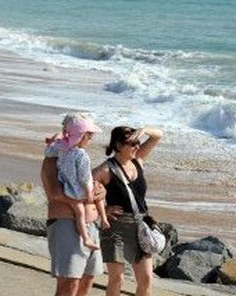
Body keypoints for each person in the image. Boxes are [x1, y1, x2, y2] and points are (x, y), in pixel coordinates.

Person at [92, 126, 163, 296]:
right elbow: (81, 192)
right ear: (118, 145)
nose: (137, 146)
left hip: (141, 226)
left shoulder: (138, 160)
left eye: (138, 143)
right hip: (117, 227)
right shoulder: (105, 169)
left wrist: (144, 130)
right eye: (132, 143)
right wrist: (103, 209)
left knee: (146, 278)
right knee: (117, 279)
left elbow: (157, 136)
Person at [41, 113, 106, 296]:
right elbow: (54, 193)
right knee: (69, 284)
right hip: (67, 225)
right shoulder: (53, 160)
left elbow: (90, 183)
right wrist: (87, 198)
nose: (91, 138)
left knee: (88, 279)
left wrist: (101, 191)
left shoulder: (77, 157)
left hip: (91, 226)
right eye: (88, 134)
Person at [47, 116, 110, 251]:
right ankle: (104, 219)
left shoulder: (63, 149)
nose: (91, 138)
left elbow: (51, 148)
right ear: (82, 136)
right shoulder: (81, 155)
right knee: (95, 196)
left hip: (68, 188)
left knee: (80, 213)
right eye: (89, 135)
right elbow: (85, 177)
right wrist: (89, 193)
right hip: (79, 190)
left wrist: (53, 140)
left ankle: (86, 238)